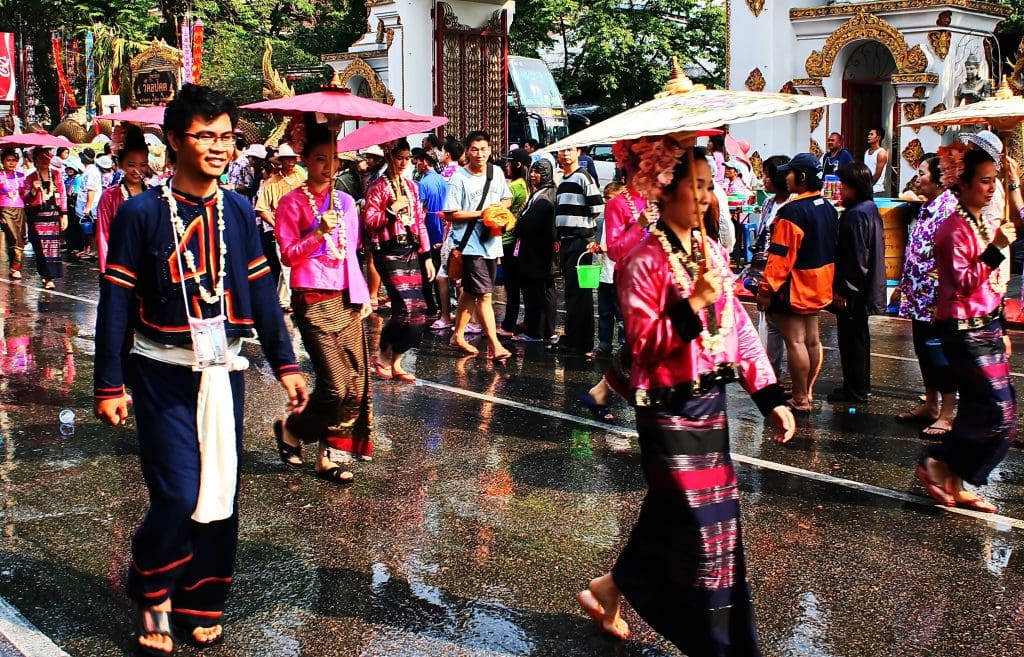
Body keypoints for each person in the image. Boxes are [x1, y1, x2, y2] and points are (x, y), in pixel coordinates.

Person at [93, 84, 307, 654]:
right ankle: (154, 590)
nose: (218, 147)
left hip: (223, 369)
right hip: (159, 370)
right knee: (179, 491)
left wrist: (285, 363)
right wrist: (108, 383)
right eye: (204, 135)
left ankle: (201, 601)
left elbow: (261, 295)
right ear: (173, 140)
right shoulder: (140, 213)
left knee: (221, 490)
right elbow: (115, 302)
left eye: (226, 136)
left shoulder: (238, 211)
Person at [576, 142, 794, 655]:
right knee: (699, 529)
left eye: (707, 184)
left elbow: (738, 331)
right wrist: (694, 302)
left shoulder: (711, 252)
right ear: (663, 187)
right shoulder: (641, 259)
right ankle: (716, 646)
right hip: (667, 412)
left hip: (709, 408)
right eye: (694, 185)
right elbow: (645, 348)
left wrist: (770, 398)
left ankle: (608, 590)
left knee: (688, 519)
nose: (704, 196)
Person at [916, 144, 1018, 514]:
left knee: (988, 412)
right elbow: (964, 283)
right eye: (985, 181)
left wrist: (1002, 326)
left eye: (994, 181)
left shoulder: (985, 223)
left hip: (988, 325)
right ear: (965, 183)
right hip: (962, 329)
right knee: (997, 412)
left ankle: (955, 482)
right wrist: (996, 249)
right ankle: (940, 462)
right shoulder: (952, 230)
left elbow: (993, 285)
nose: (991, 189)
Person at [274, 117, 373, 479]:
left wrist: (363, 296)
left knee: (355, 384)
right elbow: (288, 254)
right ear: (304, 159)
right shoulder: (291, 203)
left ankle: (328, 456)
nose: (328, 167)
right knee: (334, 384)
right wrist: (318, 232)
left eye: (334, 158)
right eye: (319, 158)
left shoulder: (346, 203)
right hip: (312, 298)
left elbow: (351, 254)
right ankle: (293, 429)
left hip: (345, 298)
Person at [756, 152, 838, 414]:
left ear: (801, 177)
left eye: (790, 173)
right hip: (820, 281)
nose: (786, 177)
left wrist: (766, 289)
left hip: (795, 285)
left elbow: (780, 256)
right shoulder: (827, 207)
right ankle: (807, 390)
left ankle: (801, 398)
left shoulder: (792, 211)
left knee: (796, 341)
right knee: (812, 340)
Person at [896, 154, 959, 436]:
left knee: (940, 354)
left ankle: (947, 413)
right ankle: (930, 403)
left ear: (939, 178)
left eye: (922, 173)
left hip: (937, 299)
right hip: (918, 295)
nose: (917, 178)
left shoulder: (949, 210)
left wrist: (942, 299)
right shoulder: (927, 207)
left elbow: (950, 258)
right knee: (923, 350)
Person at [364, 142, 436, 381]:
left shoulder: (412, 187)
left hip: (411, 250)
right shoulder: (377, 186)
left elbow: (419, 222)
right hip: (387, 250)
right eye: (399, 158)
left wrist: (426, 256)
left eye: (407, 158)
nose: (404, 163)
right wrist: (391, 211)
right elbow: (370, 221)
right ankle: (383, 353)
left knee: (418, 313)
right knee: (404, 308)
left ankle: (397, 359)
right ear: (390, 157)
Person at [444, 130, 513, 359]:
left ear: (490, 150)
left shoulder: (497, 172)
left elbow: (507, 197)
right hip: (469, 244)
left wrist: (499, 210)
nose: (479, 154)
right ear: (467, 151)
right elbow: (450, 213)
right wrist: (481, 214)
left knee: (472, 292)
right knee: (485, 295)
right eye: (474, 149)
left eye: (483, 149)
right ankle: (495, 345)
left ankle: (458, 335)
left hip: (492, 243)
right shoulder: (459, 178)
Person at [829, 163, 885, 403]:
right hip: (865, 287)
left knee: (852, 340)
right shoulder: (868, 209)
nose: (840, 189)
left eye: (844, 185)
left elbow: (856, 258)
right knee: (859, 338)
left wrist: (843, 290)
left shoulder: (857, 214)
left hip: (855, 290)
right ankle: (859, 385)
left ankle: (855, 388)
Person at [740, 155, 792, 379]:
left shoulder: (793, 205)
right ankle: (771, 372)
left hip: (784, 270)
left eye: (767, 175)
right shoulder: (768, 203)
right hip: (764, 267)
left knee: (787, 326)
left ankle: (792, 376)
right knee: (768, 321)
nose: (764, 180)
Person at [554, 145, 604, 357]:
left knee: (580, 294)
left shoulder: (584, 177)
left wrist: (585, 232)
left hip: (580, 242)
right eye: (562, 150)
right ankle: (572, 337)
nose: (565, 154)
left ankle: (580, 343)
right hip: (566, 242)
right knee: (572, 293)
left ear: (578, 153)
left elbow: (597, 208)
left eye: (570, 150)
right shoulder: (563, 180)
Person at [255, 143, 306, 311]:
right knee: (287, 264)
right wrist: (276, 225)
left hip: (301, 225)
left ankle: (283, 300)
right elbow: (261, 208)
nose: (291, 162)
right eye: (287, 159)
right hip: (284, 229)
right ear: (281, 161)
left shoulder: (301, 174)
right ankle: (291, 299)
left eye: (293, 159)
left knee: (294, 263)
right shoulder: (272, 183)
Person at [513, 159, 559, 344]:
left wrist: (518, 222)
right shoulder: (545, 193)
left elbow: (526, 224)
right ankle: (547, 330)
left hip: (536, 252)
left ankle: (535, 332)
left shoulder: (544, 198)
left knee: (535, 293)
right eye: (532, 171)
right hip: (543, 252)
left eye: (538, 171)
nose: (533, 175)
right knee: (547, 291)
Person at [97, 126, 150, 273]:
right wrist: (106, 271)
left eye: (143, 165)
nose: (137, 170)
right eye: (131, 165)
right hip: (120, 265)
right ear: (121, 164)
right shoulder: (109, 196)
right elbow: (103, 234)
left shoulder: (155, 195)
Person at [22, 147, 68, 289]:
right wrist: (34, 190)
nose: (44, 161)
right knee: (41, 247)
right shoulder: (30, 177)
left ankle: (50, 277)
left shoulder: (56, 175)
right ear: (35, 160)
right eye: (41, 158)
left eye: (47, 158)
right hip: (37, 215)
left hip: (52, 213)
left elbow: (62, 194)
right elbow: (26, 198)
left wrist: (64, 214)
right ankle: (45, 275)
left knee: (53, 247)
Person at [499, 148, 532, 337]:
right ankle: (521, 321)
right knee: (518, 285)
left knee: (511, 286)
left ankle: (508, 325)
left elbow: (498, 211)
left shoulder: (513, 188)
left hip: (508, 239)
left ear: (517, 164)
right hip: (520, 241)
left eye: (509, 162)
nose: (506, 165)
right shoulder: (527, 186)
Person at [413, 147, 448, 318]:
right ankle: (443, 308)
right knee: (441, 272)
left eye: (418, 161)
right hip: (443, 231)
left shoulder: (423, 184)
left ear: (425, 163)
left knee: (428, 271)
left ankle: (432, 307)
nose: (416, 164)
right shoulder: (443, 181)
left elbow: (420, 210)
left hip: (429, 231)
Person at [594, 182, 626, 356]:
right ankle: (604, 345)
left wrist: (607, 247)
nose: (606, 202)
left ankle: (623, 348)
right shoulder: (608, 216)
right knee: (605, 312)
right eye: (605, 198)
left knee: (621, 315)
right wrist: (599, 246)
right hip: (605, 271)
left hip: (619, 272)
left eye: (610, 198)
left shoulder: (626, 218)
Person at [0, 147, 27, 279]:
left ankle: (15, 266)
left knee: (20, 239)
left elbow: (24, 193)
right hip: (4, 209)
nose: (11, 163)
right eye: (8, 160)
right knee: (13, 237)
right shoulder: (0, 176)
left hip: (20, 208)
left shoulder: (21, 175)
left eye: (14, 160)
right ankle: (15, 268)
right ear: (3, 162)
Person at [74, 148, 102, 259]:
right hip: (85, 204)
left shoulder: (91, 172)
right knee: (87, 228)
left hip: (92, 206)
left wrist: (88, 207)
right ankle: (87, 249)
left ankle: (93, 251)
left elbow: (91, 190)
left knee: (92, 229)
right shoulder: (89, 170)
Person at [863, 127, 889, 196]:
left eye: (871, 134)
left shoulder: (881, 153)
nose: (869, 136)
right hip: (867, 190)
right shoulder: (867, 152)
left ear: (878, 137)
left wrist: (867, 187)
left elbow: (877, 174)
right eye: (869, 134)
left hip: (876, 190)